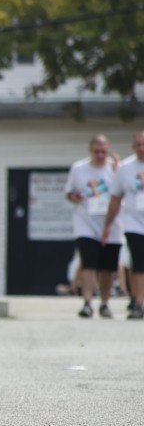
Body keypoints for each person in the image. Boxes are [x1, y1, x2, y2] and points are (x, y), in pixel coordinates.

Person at [65, 134, 122, 318]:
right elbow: (68, 192)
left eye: (103, 152)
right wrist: (74, 197)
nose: (100, 155)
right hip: (86, 223)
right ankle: (87, 302)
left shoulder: (115, 169)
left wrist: (118, 170)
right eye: (96, 152)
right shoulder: (79, 169)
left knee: (107, 267)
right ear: (90, 151)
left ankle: (104, 303)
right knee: (88, 263)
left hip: (112, 224)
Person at [102, 131, 144, 319]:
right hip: (134, 224)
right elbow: (115, 199)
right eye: (138, 144)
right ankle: (139, 303)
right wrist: (107, 225)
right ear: (133, 146)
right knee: (139, 264)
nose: (141, 148)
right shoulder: (125, 168)